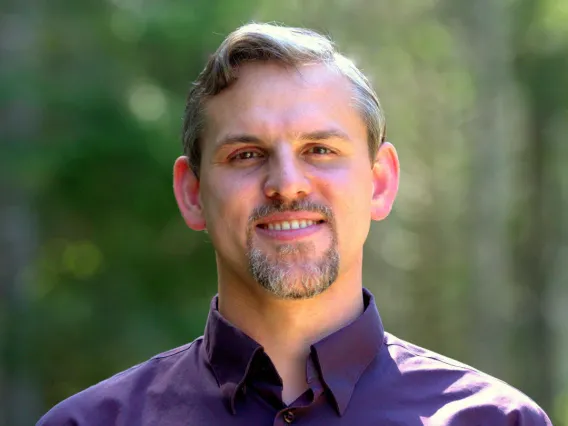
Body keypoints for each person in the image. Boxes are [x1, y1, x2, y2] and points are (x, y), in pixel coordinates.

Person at [37, 23, 552, 425]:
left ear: (380, 182)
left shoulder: (496, 421)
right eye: (246, 154)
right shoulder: (89, 423)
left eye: (320, 150)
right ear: (192, 194)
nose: (287, 184)